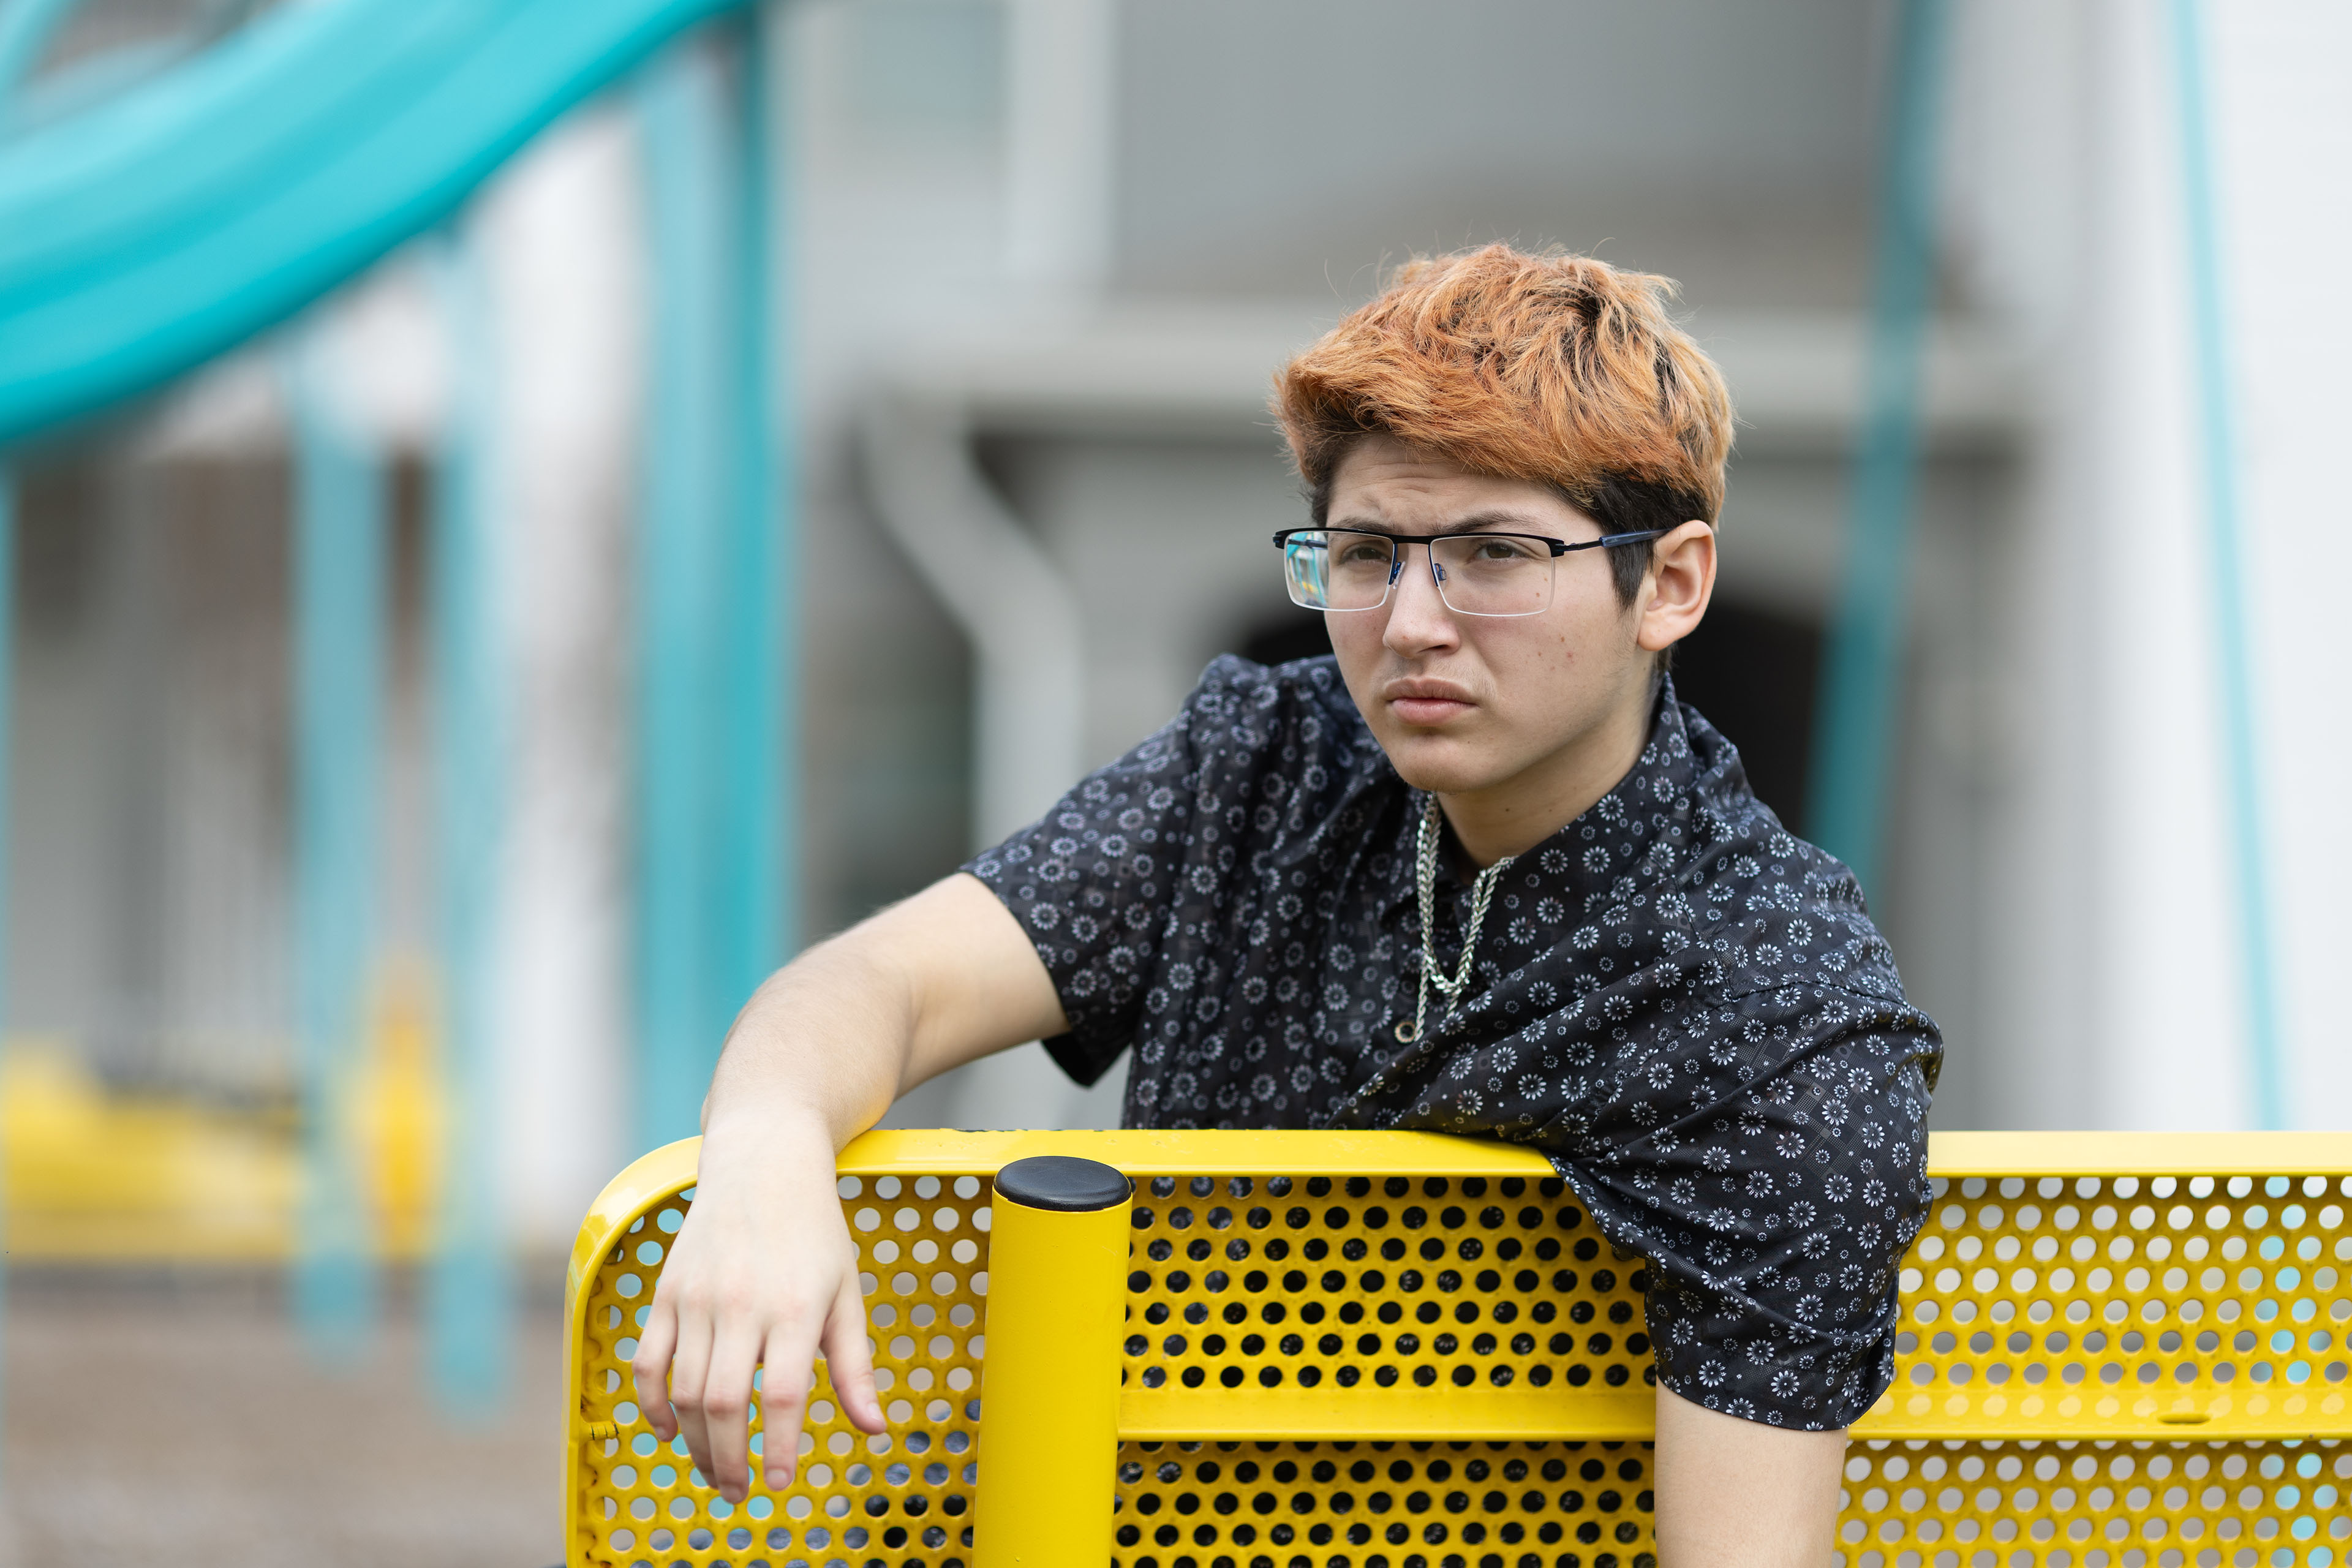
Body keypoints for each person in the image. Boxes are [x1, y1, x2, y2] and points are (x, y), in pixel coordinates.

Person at [632, 244, 1942, 1565]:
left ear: (1668, 582)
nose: (1413, 619)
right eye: (1368, 552)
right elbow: (884, 983)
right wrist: (764, 1146)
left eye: (1494, 552)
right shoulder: (1266, 760)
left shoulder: (1775, 1010)